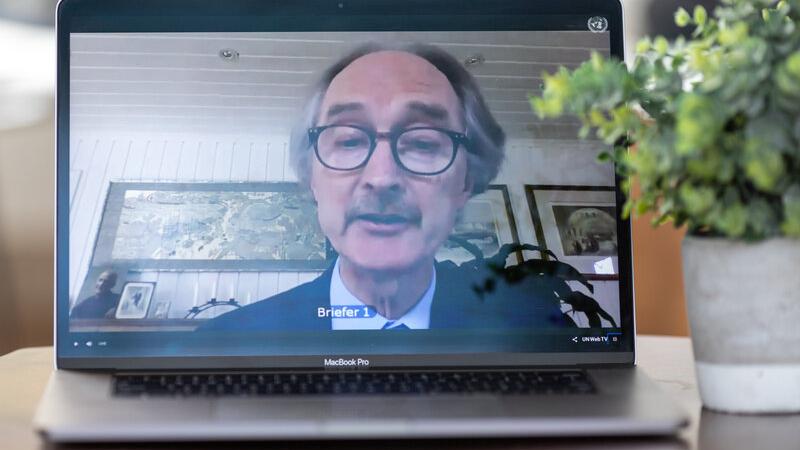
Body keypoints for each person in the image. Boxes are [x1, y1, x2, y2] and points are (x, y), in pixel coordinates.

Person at [200, 43, 571, 331]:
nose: (381, 178)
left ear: (466, 181)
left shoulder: (538, 331)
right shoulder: (223, 341)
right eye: (348, 140)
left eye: (423, 143)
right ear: (312, 177)